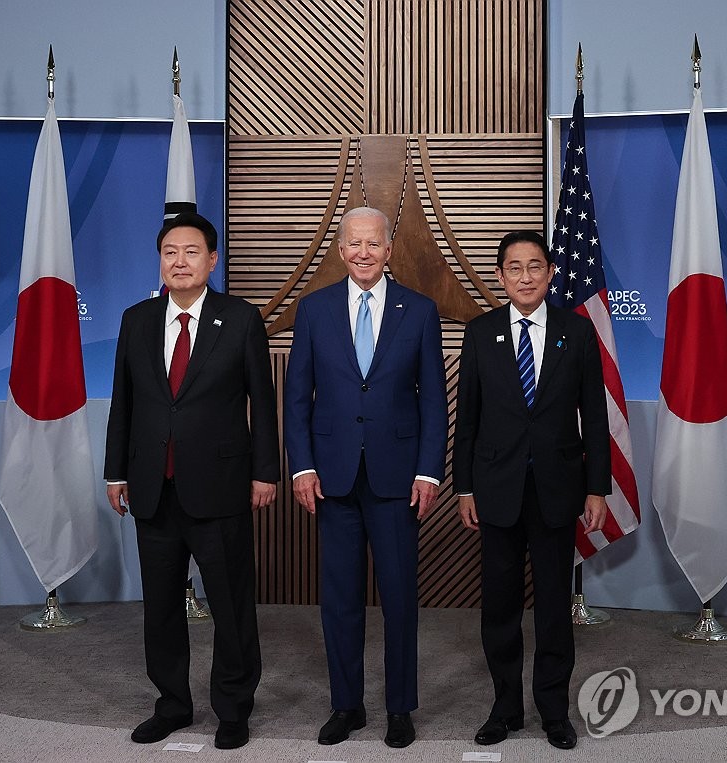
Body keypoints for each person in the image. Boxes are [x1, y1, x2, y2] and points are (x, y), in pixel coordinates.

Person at [104, 211, 279, 751]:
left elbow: (263, 404)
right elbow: (124, 404)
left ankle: (232, 707)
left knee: (229, 604)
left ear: (212, 259)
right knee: (160, 606)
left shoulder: (241, 318)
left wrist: (265, 473)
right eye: (170, 252)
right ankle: (173, 704)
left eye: (191, 252)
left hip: (221, 485)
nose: (180, 261)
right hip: (153, 487)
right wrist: (115, 472)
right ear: (160, 260)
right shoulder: (136, 319)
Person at [284, 206, 447, 749]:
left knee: (399, 596)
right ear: (340, 250)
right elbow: (296, 399)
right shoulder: (314, 310)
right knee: (340, 599)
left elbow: (432, 401)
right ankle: (346, 705)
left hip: (398, 479)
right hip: (331, 477)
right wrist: (302, 466)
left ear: (388, 249)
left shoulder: (419, 311)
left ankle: (400, 708)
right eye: (353, 244)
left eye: (372, 244)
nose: (362, 253)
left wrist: (429, 470)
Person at [452, 230, 610, 750]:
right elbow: (467, 420)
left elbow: (595, 416)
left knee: (551, 606)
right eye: (514, 268)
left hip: (557, 490)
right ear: (500, 276)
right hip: (495, 490)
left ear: (550, 273)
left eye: (534, 267)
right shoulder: (479, 333)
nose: (525, 277)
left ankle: (553, 711)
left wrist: (596, 489)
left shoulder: (577, 332)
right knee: (498, 605)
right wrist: (464, 487)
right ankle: (504, 708)